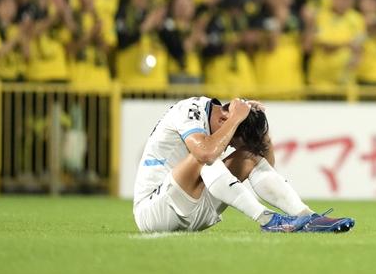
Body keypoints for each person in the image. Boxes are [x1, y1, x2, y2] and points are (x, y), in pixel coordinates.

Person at [133, 96, 355, 233]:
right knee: (206, 158)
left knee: (249, 156)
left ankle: (308, 217)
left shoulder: (221, 121)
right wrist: (235, 119)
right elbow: (206, 153)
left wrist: (263, 132)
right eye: (231, 142)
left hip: (194, 209)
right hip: (155, 210)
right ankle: (268, 219)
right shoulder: (189, 110)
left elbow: (266, 166)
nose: (228, 146)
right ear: (224, 119)